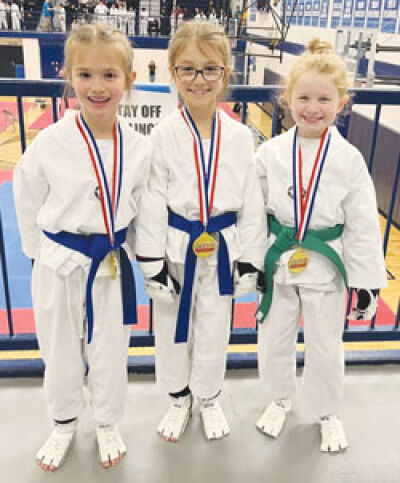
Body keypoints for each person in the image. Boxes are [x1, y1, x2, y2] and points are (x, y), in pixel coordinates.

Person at [13, 23, 150, 471]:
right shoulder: (51, 142)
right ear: (69, 77)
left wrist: (142, 259)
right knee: (59, 348)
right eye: (86, 74)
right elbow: (27, 196)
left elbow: (138, 211)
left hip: (110, 262)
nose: (97, 86)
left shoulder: (139, 148)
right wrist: (39, 255)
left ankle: (108, 420)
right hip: (58, 261)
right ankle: (64, 421)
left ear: (129, 80)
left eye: (110, 75)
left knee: (112, 346)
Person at [135, 21, 266, 442]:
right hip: (176, 250)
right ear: (172, 73)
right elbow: (153, 200)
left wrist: (252, 259)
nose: (199, 80)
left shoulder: (241, 137)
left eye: (210, 69)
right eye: (187, 69)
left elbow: (251, 201)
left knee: (214, 327)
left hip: (223, 249)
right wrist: (151, 264)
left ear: (226, 74)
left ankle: (208, 397)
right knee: (171, 328)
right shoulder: (161, 135)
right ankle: (178, 397)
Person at [255, 38, 387, 453]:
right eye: (304, 98)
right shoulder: (271, 154)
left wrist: (367, 282)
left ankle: (327, 412)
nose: (313, 108)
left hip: (327, 267)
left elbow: (363, 223)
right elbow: (254, 213)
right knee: (274, 337)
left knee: (326, 344)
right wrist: (252, 263)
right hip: (280, 262)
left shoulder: (349, 160)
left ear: (341, 102)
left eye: (324, 99)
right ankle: (279, 398)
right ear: (287, 99)